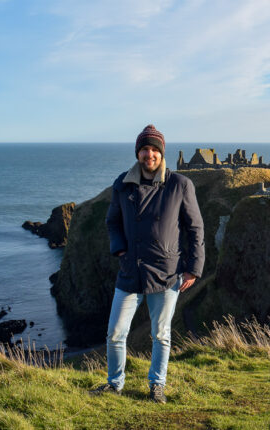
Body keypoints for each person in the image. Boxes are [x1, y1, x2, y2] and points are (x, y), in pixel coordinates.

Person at [90, 124, 204, 403]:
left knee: (161, 335)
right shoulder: (122, 184)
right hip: (130, 271)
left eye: (154, 149)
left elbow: (195, 229)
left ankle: (157, 385)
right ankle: (115, 383)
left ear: (161, 154)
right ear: (138, 153)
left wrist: (193, 269)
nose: (149, 154)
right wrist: (119, 251)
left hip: (166, 273)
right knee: (115, 332)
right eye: (144, 149)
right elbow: (112, 222)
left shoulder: (180, 185)